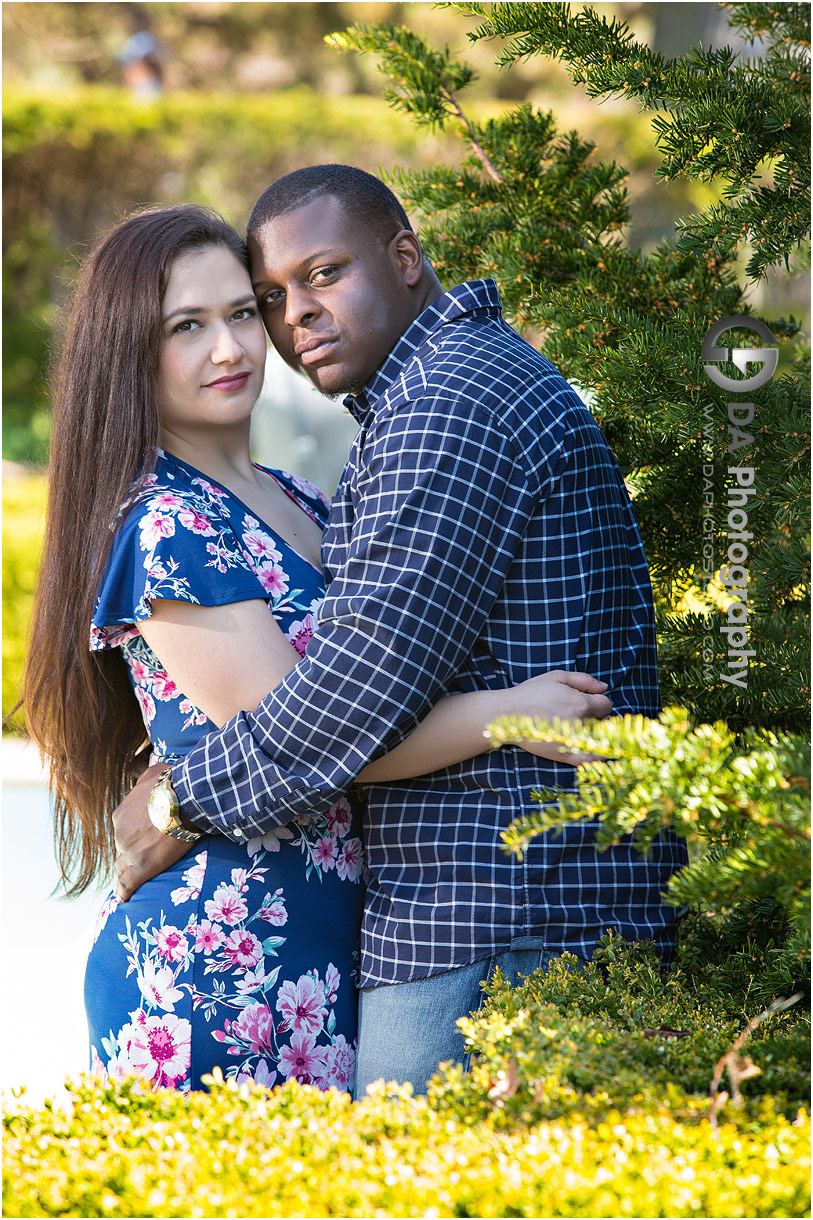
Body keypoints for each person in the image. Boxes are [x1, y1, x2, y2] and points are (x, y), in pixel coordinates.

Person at [113, 166, 688, 1096]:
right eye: (273, 297)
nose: (289, 318)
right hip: (446, 917)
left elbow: (344, 702)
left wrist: (181, 801)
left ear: (406, 259)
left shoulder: (439, 410)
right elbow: (349, 695)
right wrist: (503, 711)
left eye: (325, 274)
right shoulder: (432, 399)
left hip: (491, 910)